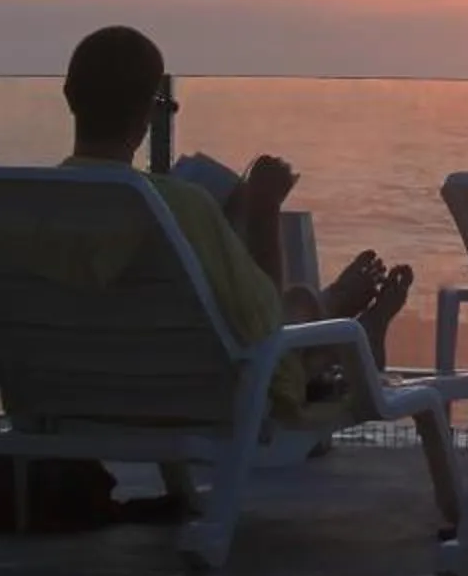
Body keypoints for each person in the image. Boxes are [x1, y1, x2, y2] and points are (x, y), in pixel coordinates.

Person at [58, 24, 413, 414]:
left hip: (66, 395)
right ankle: (349, 327)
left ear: (69, 96)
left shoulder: (7, 211)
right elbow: (265, 325)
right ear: (148, 113)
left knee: (297, 301)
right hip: (196, 398)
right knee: (288, 319)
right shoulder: (176, 206)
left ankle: (333, 310)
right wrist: (263, 211)